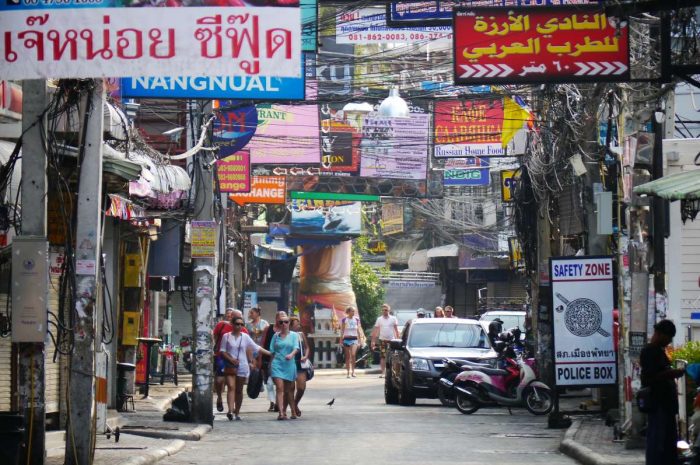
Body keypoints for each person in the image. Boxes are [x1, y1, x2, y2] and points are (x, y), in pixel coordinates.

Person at [640, 319, 685, 465]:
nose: (669, 341)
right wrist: (672, 373)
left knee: (668, 440)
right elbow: (649, 377)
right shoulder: (649, 351)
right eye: (668, 337)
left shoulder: (659, 351)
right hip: (658, 402)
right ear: (659, 334)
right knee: (657, 441)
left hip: (666, 404)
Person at [220, 316, 270, 421]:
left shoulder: (245, 337)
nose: (239, 326)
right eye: (237, 324)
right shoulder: (226, 336)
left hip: (242, 366)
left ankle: (237, 412)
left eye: (241, 324)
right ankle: (230, 410)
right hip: (230, 366)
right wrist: (230, 359)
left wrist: (270, 354)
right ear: (232, 325)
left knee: (238, 390)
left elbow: (256, 347)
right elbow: (222, 351)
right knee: (231, 387)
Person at [269, 312, 300, 420]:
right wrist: (269, 365)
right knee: (279, 388)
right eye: (281, 322)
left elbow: (296, 348)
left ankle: (292, 411)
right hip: (277, 364)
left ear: (289, 323)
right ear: (278, 323)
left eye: (286, 322)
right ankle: (281, 412)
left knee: (289, 390)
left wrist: (291, 355)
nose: (283, 324)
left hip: (289, 365)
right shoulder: (275, 336)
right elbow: (271, 351)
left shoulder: (294, 335)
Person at [261, 311, 284, 412]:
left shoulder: (287, 330)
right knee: (269, 382)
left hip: (283, 359)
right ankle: (272, 402)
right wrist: (259, 359)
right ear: (276, 319)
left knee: (281, 383)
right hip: (268, 358)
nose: (283, 322)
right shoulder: (268, 329)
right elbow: (262, 343)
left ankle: (279, 403)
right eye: (280, 319)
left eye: (285, 320)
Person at [213, 309, 234, 413]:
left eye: (232, 315)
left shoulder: (240, 326)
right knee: (219, 380)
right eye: (228, 314)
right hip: (221, 356)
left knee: (232, 383)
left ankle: (231, 407)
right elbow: (215, 337)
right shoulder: (221, 325)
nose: (230, 316)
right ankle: (219, 397)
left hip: (234, 358)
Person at [290, 315, 310, 417]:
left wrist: (306, 356)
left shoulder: (301, 334)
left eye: (299, 323)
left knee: (301, 387)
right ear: (291, 326)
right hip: (289, 362)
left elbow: (307, 347)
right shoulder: (286, 335)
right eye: (296, 324)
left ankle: (295, 403)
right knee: (290, 388)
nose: (298, 326)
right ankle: (293, 409)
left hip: (300, 363)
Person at [371, 303, 399, 378]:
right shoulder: (379, 319)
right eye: (383, 310)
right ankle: (383, 372)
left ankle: (394, 372)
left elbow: (396, 330)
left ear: (389, 310)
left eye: (386, 310)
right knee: (383, 356)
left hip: (392, 340)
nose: (384, 311)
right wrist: (373, 341)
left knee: (393, 356)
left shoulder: (393, 318)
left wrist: (398, 340)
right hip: (382, 340)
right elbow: (376, 330)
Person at [339, 306, 365, 378]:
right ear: (348, 312)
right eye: (352, 311)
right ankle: (348, 372)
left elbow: (358, 330)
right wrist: (341, 340)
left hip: (354, 339)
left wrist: (360, 341)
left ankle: (353, 372)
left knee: (353, 355)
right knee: (347, 356)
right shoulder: (344, 320)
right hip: (346, 339)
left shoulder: (356, 319)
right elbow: (342, 330)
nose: (353, 312)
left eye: (354, 311)